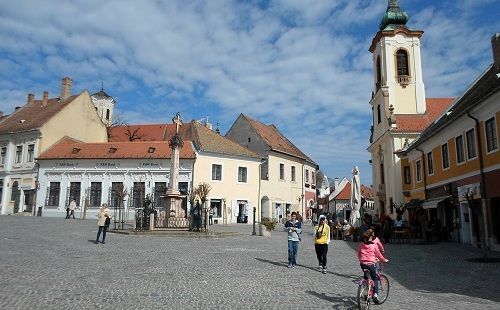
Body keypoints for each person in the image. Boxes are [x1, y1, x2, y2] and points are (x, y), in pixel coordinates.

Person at [357, 230, 389, 304]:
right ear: (371, 237)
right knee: (375, 278)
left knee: (366, 278)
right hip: (371, 264)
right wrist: (384, 260)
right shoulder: (373, 246)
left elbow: (359, 253)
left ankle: (365, 292)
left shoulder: (361, 244)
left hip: (362, 264)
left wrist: (361, 259)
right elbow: (379, 255)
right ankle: (375, 295)